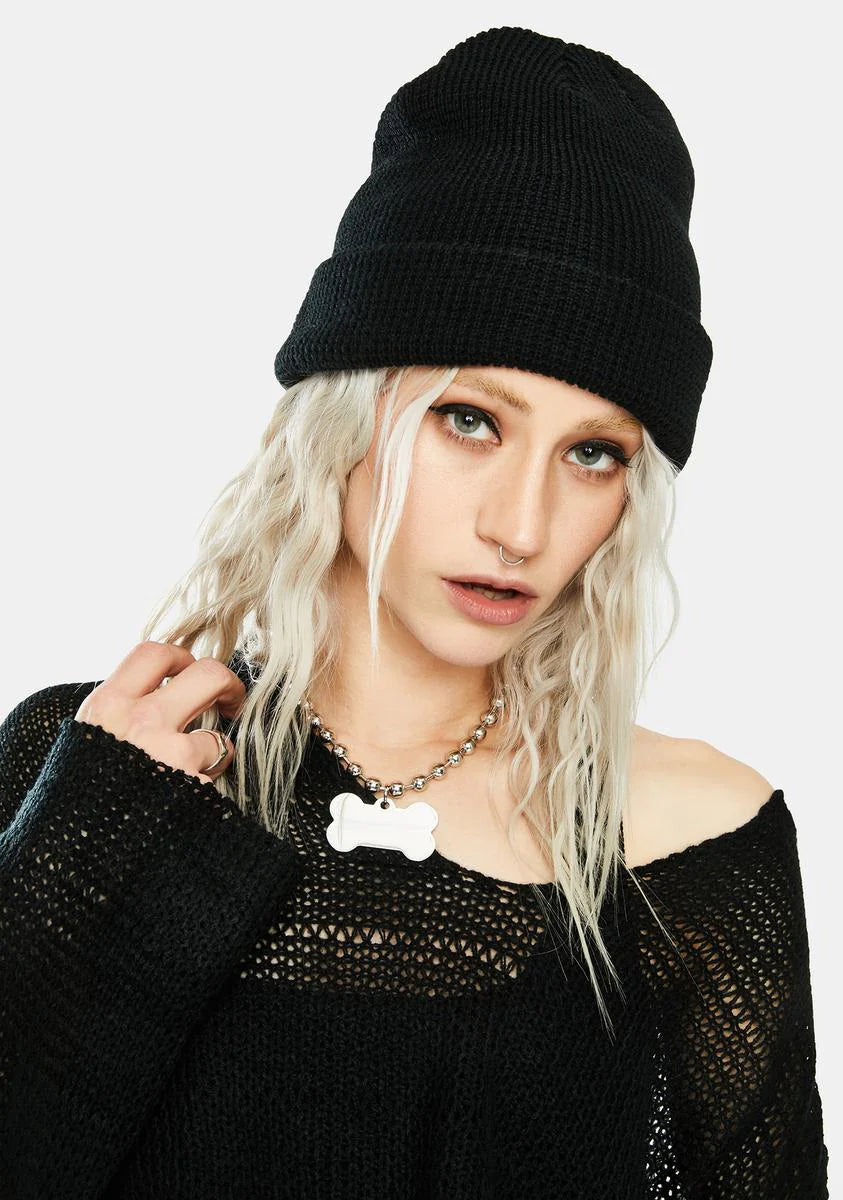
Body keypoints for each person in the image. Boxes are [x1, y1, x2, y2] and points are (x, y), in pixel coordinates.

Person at [0, 25, 828, 1199]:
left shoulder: (687, 836)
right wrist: (89, 845)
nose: (523, 527)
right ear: (344, 418)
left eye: (593, 453)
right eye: (470, 420)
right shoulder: (100, 766)